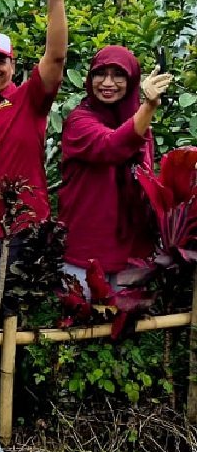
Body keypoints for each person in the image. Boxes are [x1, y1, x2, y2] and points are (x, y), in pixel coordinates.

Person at [0, 0, 86, 310]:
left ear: (12, 65)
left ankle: (13, 366)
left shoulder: (29, 100)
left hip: (19, 223)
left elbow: (56, 57)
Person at [59, 46, 172, 291]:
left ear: (131, 80)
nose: (108, 83)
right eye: (101, 74)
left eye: (118, 75)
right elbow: (111, 146)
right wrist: (149, 106)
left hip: (132, 249)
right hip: (85, 248)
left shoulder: (140, 124)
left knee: (125, 323)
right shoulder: (79, 121)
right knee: (79, 325)